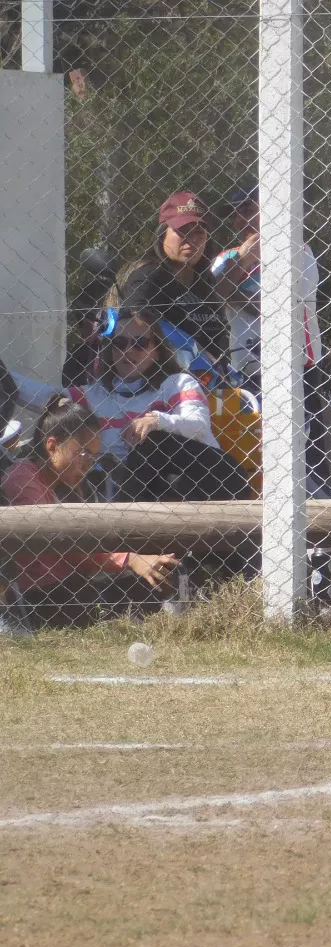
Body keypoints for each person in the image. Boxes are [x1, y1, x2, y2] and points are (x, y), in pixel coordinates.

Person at [13, 308, 252, 504]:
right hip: (161, 491)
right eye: (121, 343)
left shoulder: (177, 383)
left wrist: (156, 420)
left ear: (157, 350)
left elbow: (198, 425)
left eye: (140, 343)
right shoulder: (94, 396)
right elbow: (32, 392)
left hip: (216, 480)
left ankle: (125, 523)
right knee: (165, 481)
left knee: (151, 441)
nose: (129, 350)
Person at [2, 398, 179, 628]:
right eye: (82, 453)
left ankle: (172, 616)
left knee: (153, 575)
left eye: (93, 455)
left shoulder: (66, 483)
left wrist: (135, 559)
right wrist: (130, 559)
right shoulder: (23, 480)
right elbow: (66, 543)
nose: (88, 464)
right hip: (42, 594)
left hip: (73, 582)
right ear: (52, 446)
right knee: (99, 591)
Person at [211, 184, 330, 493]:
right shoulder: (225, 258)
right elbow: (214, 295)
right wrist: (245, 259)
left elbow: (284, 305)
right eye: (235, 214)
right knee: (254, 452)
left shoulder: (298, 250)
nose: (240, 219)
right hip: (245, 372)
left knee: (307, 452)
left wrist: (236, 294)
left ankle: (319, 523)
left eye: (248, 209)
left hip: (296, 368)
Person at [115, 191, 225, 362]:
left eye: (199, 233)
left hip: (209, 380)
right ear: (162, 234)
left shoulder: (204, 280)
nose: (192, 240)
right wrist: (196, 350)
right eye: (183, 231)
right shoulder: (149, 275)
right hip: (159, 380)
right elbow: (134, 318)